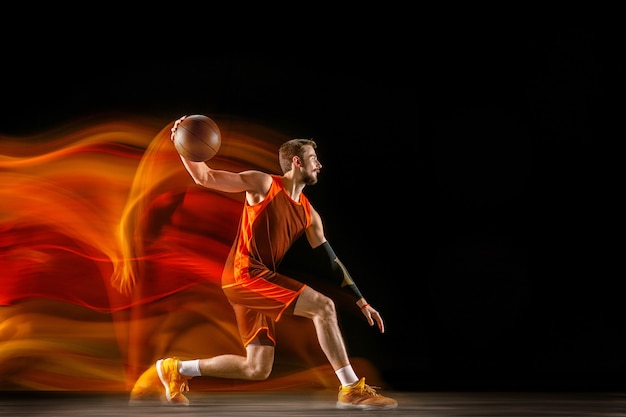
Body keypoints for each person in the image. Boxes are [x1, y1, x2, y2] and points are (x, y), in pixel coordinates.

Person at [129, 116, 398, 410]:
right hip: (243, 274)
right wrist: (183, 143)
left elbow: (331, 261)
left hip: (257, 280)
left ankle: (175, 369)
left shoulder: (310, 214)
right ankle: (350, 389)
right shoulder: (263, 184)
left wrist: (361, 301)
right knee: (324, 307)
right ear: (296, 162)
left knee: (257, 368)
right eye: (313, 159)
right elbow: (204, 177)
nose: (319, 164)